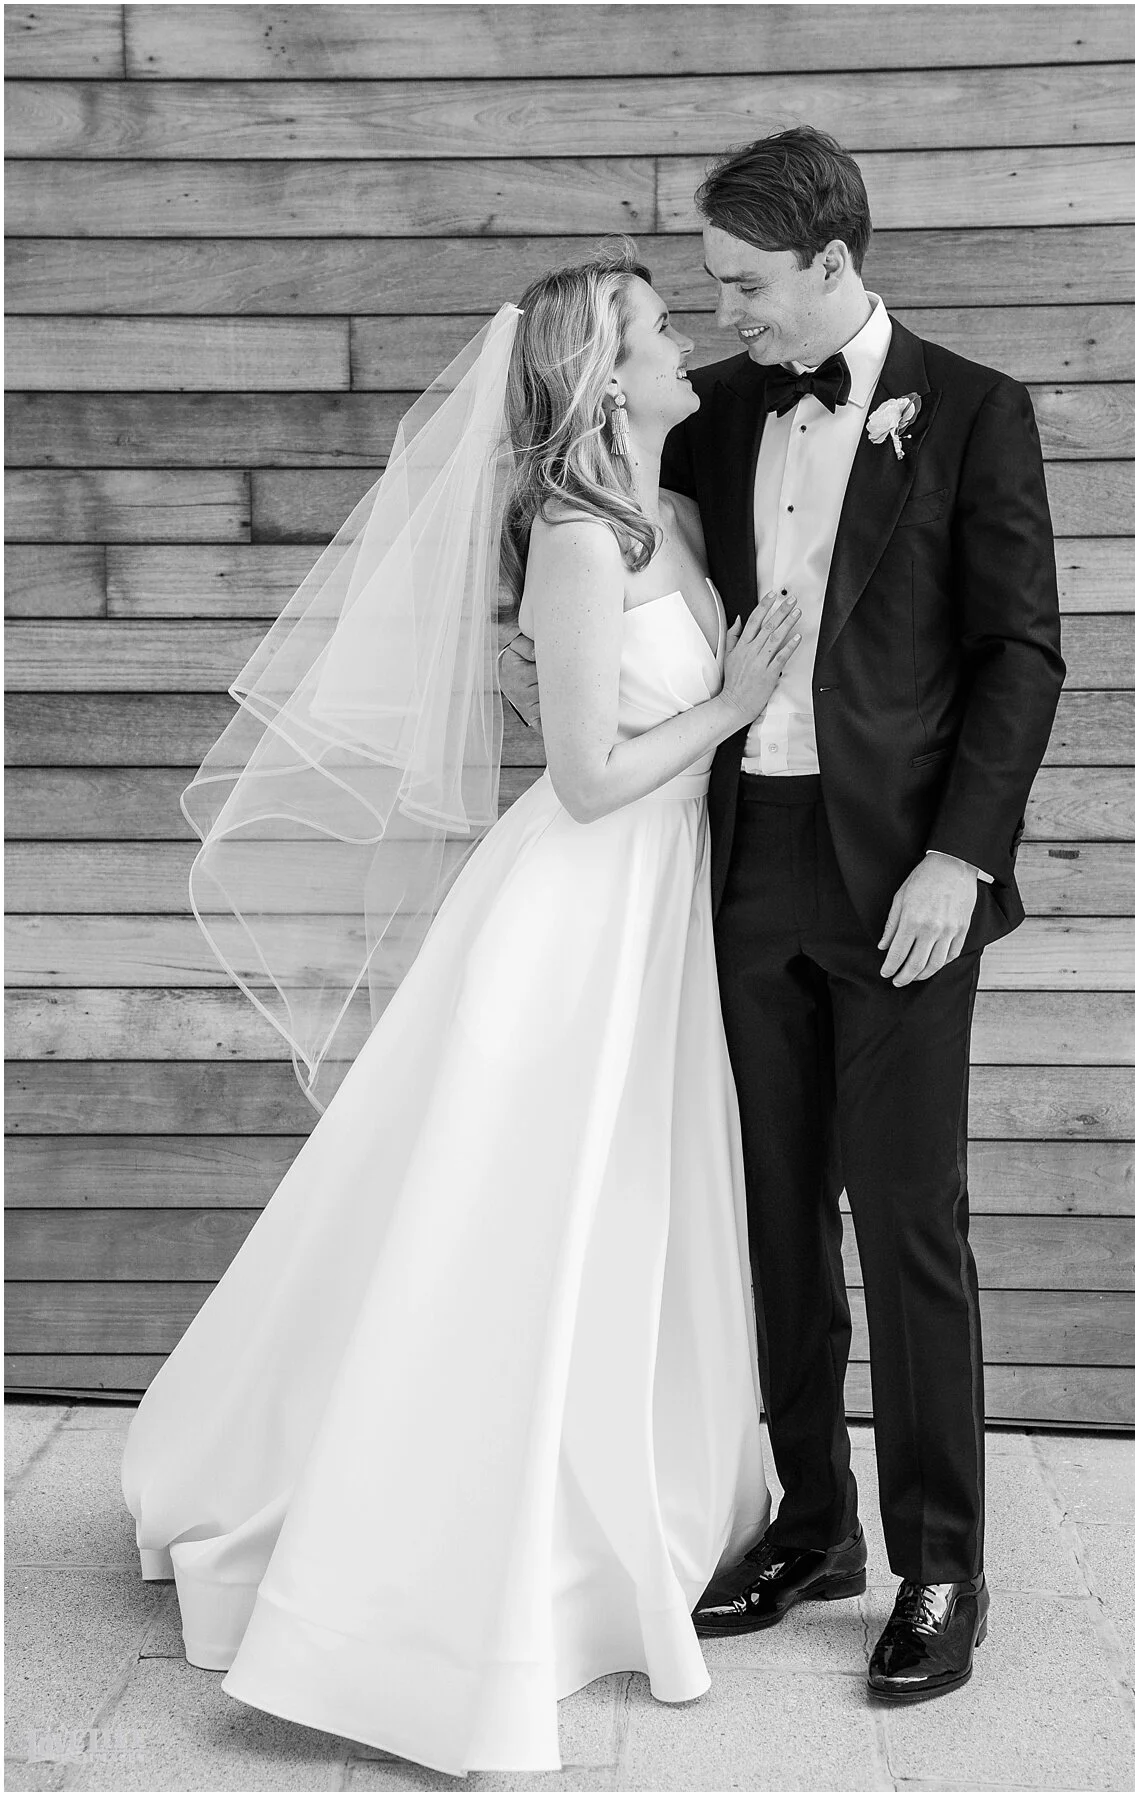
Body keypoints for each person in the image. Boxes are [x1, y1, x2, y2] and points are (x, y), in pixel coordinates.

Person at [120, 243, 808, 1775]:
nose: (684, 345)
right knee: (524, 1211)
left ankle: (632, 1480)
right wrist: (731, 706)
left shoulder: (676, 515)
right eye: (657, 329)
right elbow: (588, 777)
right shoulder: (573, 541)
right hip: (578, 907)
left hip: (659, 907)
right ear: (604, 380)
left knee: (631, 1200)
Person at [501, 127, 1065, 1704]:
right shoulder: (719, 407)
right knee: (773, 1211)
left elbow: (1020, 656)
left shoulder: (975, 412)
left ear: (832, 264)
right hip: (739, 860)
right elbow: (598, 553)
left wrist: (963, 860)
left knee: (910, 1217)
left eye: (745, 284)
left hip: (905, 879)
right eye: (710, 288)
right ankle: (813, 1525)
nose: (724, 312)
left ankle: (942, 1566)